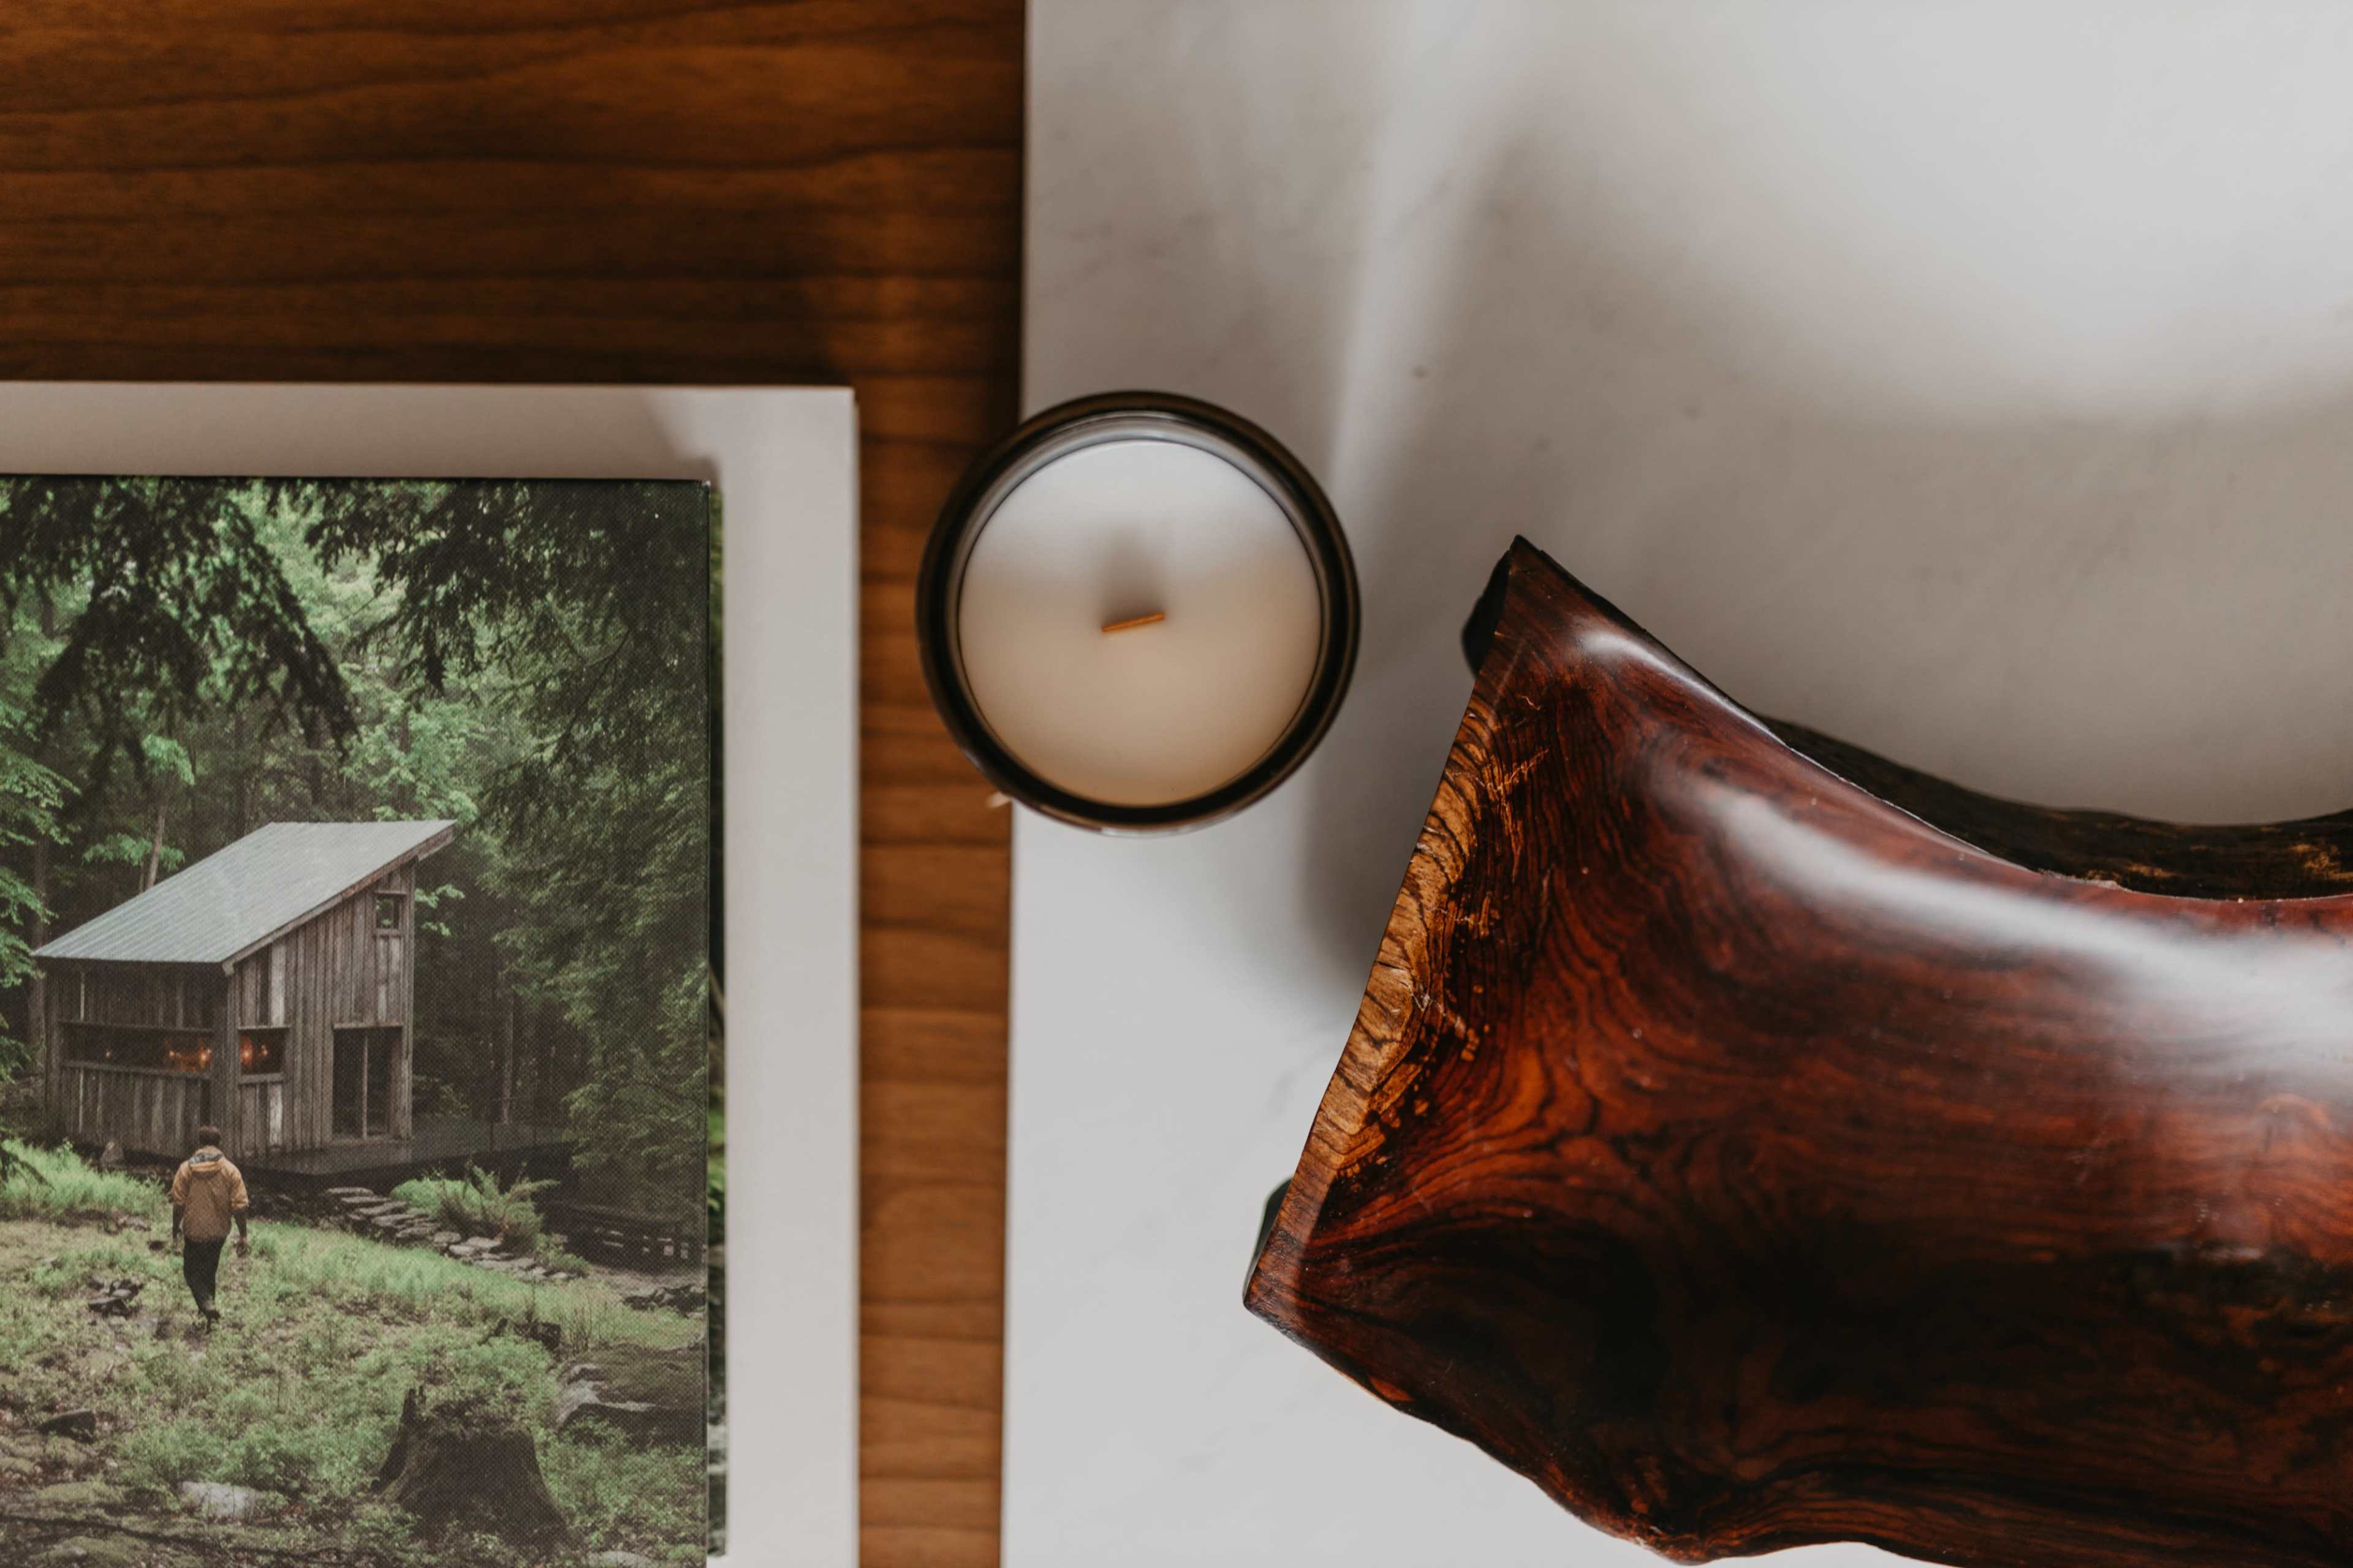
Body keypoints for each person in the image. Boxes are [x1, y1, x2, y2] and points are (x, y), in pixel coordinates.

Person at [169, 1124, 250, 1325]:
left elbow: (178, 1204)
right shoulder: (231, 1170)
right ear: (219, 1143)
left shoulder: (186, 1169)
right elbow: (240, 1207)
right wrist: (243, 1235)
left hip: (194, 1231)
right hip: (219, 1232)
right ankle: (209, 1314)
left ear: (200, 1143)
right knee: (209, 1270)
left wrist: (175, 1227)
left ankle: (207, 1306)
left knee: (191, 1272)